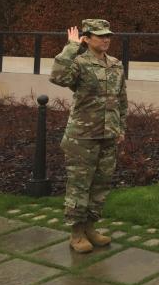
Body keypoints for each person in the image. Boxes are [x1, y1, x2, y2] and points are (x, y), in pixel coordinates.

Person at [50, 19, 127, 253]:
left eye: (108, 35)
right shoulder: (79, 63)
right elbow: (58, 77)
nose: (106, 39)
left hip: (108, 134)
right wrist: (71, 47)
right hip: (82, 137)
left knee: (101, 184)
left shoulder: (115, 64)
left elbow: (121, 99)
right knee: (79, 185)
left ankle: (90, 228)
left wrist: (120, 128)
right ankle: (76, 233)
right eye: (100, 35)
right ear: (87, 38)